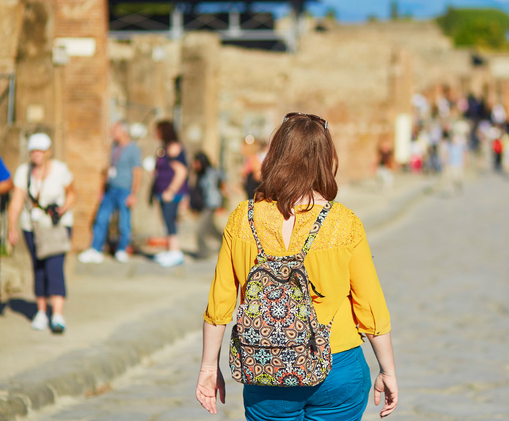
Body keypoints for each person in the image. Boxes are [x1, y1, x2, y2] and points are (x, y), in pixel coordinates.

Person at [196, 112, 398, 420]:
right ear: (326, 158)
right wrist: (388, 370)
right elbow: (370, 306)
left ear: (275, 155)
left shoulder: (242, 219)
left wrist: (209, 367)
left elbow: (220, 303)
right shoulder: (344, 223)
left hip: (266, 365)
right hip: (337, 364)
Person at [7, 133, 76, 333]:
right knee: (38, 267)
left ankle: (57, 314)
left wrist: (63, 208)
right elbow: (17, 202)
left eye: (40, 150)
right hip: (32, 227)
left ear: (48, 152)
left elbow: (72, 193)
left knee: (54, 266)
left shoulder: (60, 170)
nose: (37, 154)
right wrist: (12, 228)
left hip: (56, 226)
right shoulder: (24, 172)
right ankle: (41, 311)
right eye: (34, 151)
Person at [79, 121, 142, 264]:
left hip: (125, 190)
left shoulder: (133, 149)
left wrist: (133, 194)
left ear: (124, 132)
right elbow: (107, 169)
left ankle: (122, 249)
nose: (112, 134)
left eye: (115, 131)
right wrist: (101, 189)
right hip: (110, 189)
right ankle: (95, 249)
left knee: (124, 222)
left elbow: (137, 173)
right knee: (101, 219)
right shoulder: (114, 147)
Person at [152, 120, 188, 268]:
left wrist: (171, 190)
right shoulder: (164, 148)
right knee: (166, 221)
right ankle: (169, 250)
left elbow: (182, 171)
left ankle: (175, 251)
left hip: (171, 193)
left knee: (170, 220)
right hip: (162, 192)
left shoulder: (173, 148)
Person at [190, 151, 224, 260]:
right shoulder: (199, 173)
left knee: (200, 229)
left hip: (211, 204)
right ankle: (227, 242)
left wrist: (223, 198)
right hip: (204, 205)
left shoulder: (211, 172)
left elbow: (221, 181)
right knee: (211, 229)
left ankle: (203, 253)